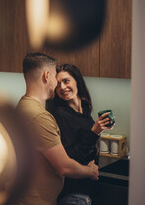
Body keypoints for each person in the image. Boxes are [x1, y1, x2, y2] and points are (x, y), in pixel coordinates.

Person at [16, 53, 99, 205]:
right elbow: (64, 167)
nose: (57, 84)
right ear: (47, 75)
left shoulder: (24, 105)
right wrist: (90, 172)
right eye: (55, 76)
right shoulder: (38, 116)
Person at [47, 64, 113, 205]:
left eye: (66, 81)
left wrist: (99, 129)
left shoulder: (84, 108)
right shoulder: (60, 115)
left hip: (85, 190)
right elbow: (69, 157)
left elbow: (83, 143)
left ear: (77, 80)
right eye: (58, 84)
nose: (62, 87)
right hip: (73, 193)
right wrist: (94, 132)